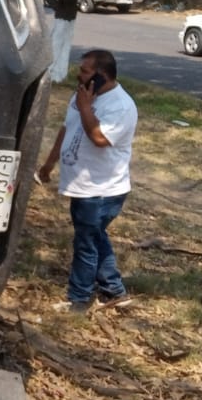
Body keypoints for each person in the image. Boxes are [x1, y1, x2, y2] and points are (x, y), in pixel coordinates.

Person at [36, 48, 138, 313]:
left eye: (85, 71)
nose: (78, 75)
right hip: (83, 185)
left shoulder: (121, 106)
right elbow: (67, 129)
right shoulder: (82, 94)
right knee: (95, 237)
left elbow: (100, 139)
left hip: (102, 189)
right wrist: (49, 164)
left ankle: (79, 299)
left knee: (86, 243)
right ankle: (115, 291)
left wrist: (84, 107)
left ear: (102, 75)